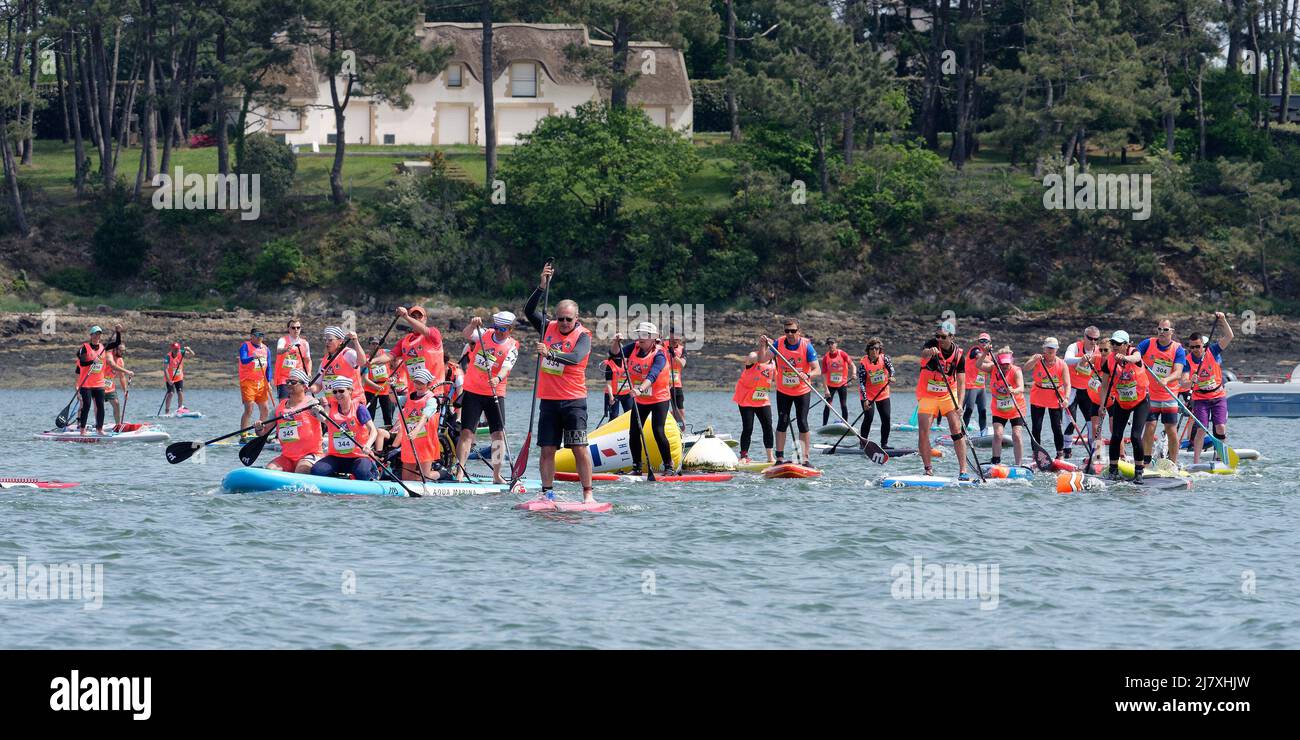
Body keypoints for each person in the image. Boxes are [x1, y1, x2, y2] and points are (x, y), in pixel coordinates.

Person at [525, 263, 596, 503]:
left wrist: (550, 353)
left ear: (577, 318)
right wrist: (541, 287)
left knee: (578, 448)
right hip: (549, 401)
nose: (564, 323)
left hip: (574, 401)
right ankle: (547, 492)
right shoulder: (548, 327)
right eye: (561, 318)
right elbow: (528, 310)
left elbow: (576, 358)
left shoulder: (583, 336)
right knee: (547, 450)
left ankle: (588, 493)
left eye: (568, 319)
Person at [457, 312, 519, 484]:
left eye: (503, 329)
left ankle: (496, 475)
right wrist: (472, 323)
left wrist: (498, 378)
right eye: (497, 328)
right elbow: (467, 334)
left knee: (498, 434)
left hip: (495, 393)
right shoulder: (483, 334)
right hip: (473, 391)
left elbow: (507, 367)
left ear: (510, 329)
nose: (499, 332)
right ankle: (460, 472)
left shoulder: (513, 346)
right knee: (467, 432)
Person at [613, 323, 674, 476]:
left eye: (645, 335)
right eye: (639, 334)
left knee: (657, 431)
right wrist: (616, 342)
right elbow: (614, 354)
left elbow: (652, 375)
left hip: (659, 397)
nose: (641, 338)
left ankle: (669, 466)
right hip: (641, 399)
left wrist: (640, 389)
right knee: (634, 432)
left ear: (654, 338)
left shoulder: (659, 354)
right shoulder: (633, 347)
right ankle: (637, 467)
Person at [1095, 330, 1151, 483]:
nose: (1114, 346)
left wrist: (1125, 358)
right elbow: (1105, 386)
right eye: (1112, 343)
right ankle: (1113, 470)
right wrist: (1102, 405)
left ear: (1126, 345)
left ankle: (1139, 471)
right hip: (1122, 402)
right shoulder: (1109, 361)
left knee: (1134, 436)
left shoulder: (1133, 352)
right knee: (1116, 435)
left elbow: (1137, 357)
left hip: (1140, 401)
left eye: (1118, 344)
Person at [917, 323, 969, 478]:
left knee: (956, 429)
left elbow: (961, 382)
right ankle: (928, 469)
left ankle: (963, 470)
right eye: (937, 336)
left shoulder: (959, 355)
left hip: (948, 394)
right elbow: (924, 354)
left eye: (943, 337)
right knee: (923, 432)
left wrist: (960, 404)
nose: (939, 339)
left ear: (952, 337)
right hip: (927, 395)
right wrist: (929, 352)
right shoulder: (932, 345)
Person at [1184, 312, 1235, 465]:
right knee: (1201, 429)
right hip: (1201, 399)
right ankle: (1196, 462)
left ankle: (1221, 458)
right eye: (1191, 347)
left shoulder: (1212, 351)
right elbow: (1183, 383)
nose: (1194, 349)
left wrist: (1223, 320)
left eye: (1198, 346)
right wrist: (1190, 381)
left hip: (1218, 396)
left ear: (1203, 346)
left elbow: (1229, 336)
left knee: (1220, 428)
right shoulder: (1187, 360)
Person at [770, 319, 819, 466]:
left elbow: (818, 369)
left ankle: (804, 458)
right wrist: (762, 346)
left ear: (799, 331)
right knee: (782, 422)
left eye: (793, 331)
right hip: (783, 390)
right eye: (787, 331)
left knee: (802, 423)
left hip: (802, 390)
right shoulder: (778, 343)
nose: (789, 334)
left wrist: (807, 375)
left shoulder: (806, 346)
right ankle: (779, 459)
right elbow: (762, 359)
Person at [1136, 319, 1186, 465]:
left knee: (1171, 429)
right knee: (1150, 426)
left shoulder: (1178, 349)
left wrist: (1166, 379)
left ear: (1172, 332)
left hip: (1169, 395)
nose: (1161, 332)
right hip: (1150, 394)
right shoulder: (1148, 343)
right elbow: (1135, 354)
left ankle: (1173, 463)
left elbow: (1178, 373)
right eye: (1159, 329)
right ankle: (1145, 461)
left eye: (1165, 330)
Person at [310, 377, 379, 481]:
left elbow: (373, 430)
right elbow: (324, 419)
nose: (338, 394)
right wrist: (317, 411)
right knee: (316, 471)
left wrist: (368, 446)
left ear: (350, 391)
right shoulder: (331, 406)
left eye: (341, 391)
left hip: (358, 456)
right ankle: (340, 479)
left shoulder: (359, 408)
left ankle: (373, 472)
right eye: (335, 391)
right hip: (336, 456)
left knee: (362, 473)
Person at [258, 369, 323, 474]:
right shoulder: (279, 407)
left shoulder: (312, 403)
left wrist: (322, 409)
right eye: (287, 381)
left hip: (310, 455)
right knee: (270, 470)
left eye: (293, 382)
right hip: (287, 457)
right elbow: (263, 432)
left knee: (301, 470)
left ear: (304, 386)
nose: (289, 384)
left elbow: (327, 422)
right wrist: (259, 428)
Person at [391, 368, 445, 481]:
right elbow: (394, 399)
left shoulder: (432, 400)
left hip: (425, 442)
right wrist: (390, 387)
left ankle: (445, 474)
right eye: (416, 382)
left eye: (421, 383)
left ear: (428, 384)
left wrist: (415, 431)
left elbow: (425, 417)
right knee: (406, 479)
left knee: (424, 477)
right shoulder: (409, 397)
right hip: (409, 442)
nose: (418, 385)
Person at [1025, 337, 1072, 462]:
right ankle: (1036, 453)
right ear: (1044, 348)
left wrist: (1066, 398)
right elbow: (1025, 368)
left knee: (1056, 427)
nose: (1051, 351)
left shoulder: (1062, 364)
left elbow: (1067, 384)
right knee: (1037, 427)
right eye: (1048, 348)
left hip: (1055, 398)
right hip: (1038, 397)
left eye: (1053, 348)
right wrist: (1033, 360)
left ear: (1057, 350)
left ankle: (1060, 453)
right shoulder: (1038, 359)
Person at [979, 347, 1027, 466]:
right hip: (999, 409)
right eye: (1002, 364)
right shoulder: (993, 368)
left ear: (1011, 361)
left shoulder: (1016, 371)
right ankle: (996, 461)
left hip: (1016, 408)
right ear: (998, 363)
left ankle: (1019, 464)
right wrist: (985, 353)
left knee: (1016, 434)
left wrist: (1014, 390)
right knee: (998, 434)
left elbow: (1021, 387)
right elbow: (978, 364)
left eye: (1007, 364)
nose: (1005, 366)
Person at [389, 306, 445, 402]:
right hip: (413, 393)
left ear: (425, 319)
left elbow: (424, 330)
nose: (417, 319)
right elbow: (389, 356)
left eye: (420, 316)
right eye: (414, 317)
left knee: (426, 417)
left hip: (433, 393)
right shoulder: (405, 341)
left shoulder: (433, 333)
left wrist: (406, 317)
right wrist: (372, 361)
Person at [74, 325, 123, 434]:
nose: (97, 336)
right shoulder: (85, 347)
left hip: (99, 383)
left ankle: (99, 429)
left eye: (99, 334)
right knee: (86, 406)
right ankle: (82, 429)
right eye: (95, 334)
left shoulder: (103, 347)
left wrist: (118, 332)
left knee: (100, 406)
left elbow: (117, 343)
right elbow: (82, 362)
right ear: (91, 335)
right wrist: (92, 361)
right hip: (86, 383)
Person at [733, 341, 776, 465]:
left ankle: (770, 456)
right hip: (746, 399)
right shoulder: (755, 357)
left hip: (762, 399)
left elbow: (778, 380)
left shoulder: (774, 363)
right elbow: (750, 358)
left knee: (768, 427)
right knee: (748, 427)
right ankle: (743, 456)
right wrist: (762, 346)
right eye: (768, 348)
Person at [1062, 326, 1102, 459]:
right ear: (1084, 337)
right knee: (1070, 422)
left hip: (1089, 393)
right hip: (1072, 390)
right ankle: (1066, 452)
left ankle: (1095, 455)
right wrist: (1081, 359)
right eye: (1090, 338)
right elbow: (1066, 360)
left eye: (1096, 339)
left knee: (1093, 424)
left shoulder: (1099, 351)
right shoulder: (1074, 347)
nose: (1093, 341)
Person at [856, 337, 894, 450]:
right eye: (872, 349)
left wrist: (891, 376)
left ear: (880, 350)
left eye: (877, 348)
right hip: (868, 395)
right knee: (869, 418)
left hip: (883, 394)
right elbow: (861, 383)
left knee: (886, 418)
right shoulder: (864, 364)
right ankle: (863, 444)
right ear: (868, 350)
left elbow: (891, 369)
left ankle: (884, 444)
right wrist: (865, 400)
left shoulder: (885, 358)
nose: (874, 351)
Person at [316, 327, 367, 408]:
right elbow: (318, 385)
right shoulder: (325, 360)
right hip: (333, 405)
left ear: (340, 341)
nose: (326, 342)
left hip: (352, 402)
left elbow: (362, 362)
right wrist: (305, 388)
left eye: (330, 340)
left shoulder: (348, 353)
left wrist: (355, 341)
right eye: (325, 339)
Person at [238, 328, 273, 441]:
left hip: (262, 383)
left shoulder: (266, 349)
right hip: (248, 382)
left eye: (261, 335)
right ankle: (243, 435)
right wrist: (252, 357)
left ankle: (260, 432)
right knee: (249, 409)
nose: (259, 337)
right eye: (257, 335)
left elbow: (268, 367)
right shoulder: (245, 346)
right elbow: (243, 360)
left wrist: (268, 382)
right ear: (251, 336)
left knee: (265, 409)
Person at [272, 319, 312, 400]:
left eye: (298, 327)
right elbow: (278, 351)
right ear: (289, 329)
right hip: (284, 378)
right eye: (293, 328)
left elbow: (308, 360)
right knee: (284, 403)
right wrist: (285, 349)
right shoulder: (283, 340)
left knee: (298, 403)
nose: (296, 330)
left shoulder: (305, 343)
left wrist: (309, 373)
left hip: (298, 379)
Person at [360, 337, 395, 428]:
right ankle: (369, 432)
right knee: (370, 414)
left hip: (385, 387)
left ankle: (388, 432)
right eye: (373, 344)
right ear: (369, 345)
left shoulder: (385, 353)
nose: (376, 346)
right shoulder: (366, 359)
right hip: (371, 388)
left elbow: (396, 355)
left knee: (387, 413)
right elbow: (365, 379)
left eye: (377, 344)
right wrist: (376, 387)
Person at [962, 332, 992, 435]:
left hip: (981, 387)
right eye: (981, 341)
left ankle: (983, 432)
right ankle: (962, 433)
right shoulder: (975, 350)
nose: (983, 343)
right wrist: (996, 363)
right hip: (970, 385)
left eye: (986, 341)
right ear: (978, 342)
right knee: (969, 409)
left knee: (983, 410)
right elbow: (980, 357)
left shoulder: (989, 354)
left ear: (989, 342)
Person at [820, 338, 853, 427]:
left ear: (836, 344)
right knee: (828, 405)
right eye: (828, 344)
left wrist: (853, 373)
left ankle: (846, 425)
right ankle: (824, 425)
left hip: (842, 384)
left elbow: (852, 365)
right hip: (830, 386)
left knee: (843, 405)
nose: (830, 345)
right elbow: (823, 374)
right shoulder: (826, 357)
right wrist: (826, 389)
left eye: (832, 343)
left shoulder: (842, 354)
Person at [103, 344, 135, 428]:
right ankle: (98, 425)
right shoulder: (108, 356)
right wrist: (128, 371)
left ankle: (118, 425)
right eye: (121, 350)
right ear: (115, 349)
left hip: (110, 387)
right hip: (99, 385)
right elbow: (112, 365)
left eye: (124, 351)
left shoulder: (120, 360)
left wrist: (125, 391)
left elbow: (122, 377)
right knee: (98, 406)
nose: (122, 352)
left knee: (116, 404)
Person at [162, 342, 193, 414]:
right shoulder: (168, 357)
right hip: (170, 378)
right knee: (171, 393)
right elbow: (165, 369)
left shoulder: (181, 352)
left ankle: (180, 408)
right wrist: (169, 380)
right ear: (172, 349)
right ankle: (167, 411)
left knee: (180, 392)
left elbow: (192, 355)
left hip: (179, 377)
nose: (176, 350)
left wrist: (189, 349)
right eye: (175, 349)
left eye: (177, 349)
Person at [602, 350, 633, 421]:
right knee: (614, 417)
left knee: (630, 414)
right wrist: (611, 397)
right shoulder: (609, 365)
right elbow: (608, 384)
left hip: (626, 393)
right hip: (613, 394)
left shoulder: (627, 361)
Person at [665, 335, 687, 427]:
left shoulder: (682, 349)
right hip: (663, 385)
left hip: (677, 384)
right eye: (673, 338)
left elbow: (682, 364)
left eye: (678, 339)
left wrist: (674, 355)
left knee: (680, 411)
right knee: (662, 409)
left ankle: (681, 430)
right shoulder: (662, 346)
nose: (675, 340)